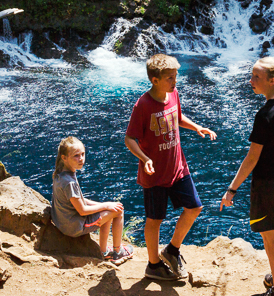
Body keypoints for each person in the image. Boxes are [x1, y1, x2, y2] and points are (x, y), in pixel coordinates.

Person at [125, 54, 217, 281]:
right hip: (155, 174)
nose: (175, 81)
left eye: (175, 76)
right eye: (169, 77)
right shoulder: (143, 105)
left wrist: (196, 127)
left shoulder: (173, 93)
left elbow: (176, 116)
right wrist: (145, 158)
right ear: (155, 80)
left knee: (194, 208)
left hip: (178, 167)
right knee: (155, 220)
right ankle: (153, 265)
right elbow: (130, 139)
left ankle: (172, 250)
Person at [220, 57, 274, 296]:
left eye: (256, 77)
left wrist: (232, 189)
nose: (250, 81)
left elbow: (252, 157)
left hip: (268, 184)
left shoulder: (266, 114)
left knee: (272, 241)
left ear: (272, 81)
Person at [51, 136, 134, 264]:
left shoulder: (60, 173)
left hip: (64, 222)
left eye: (83, 154)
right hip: (74, 226)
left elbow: (80, 200)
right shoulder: (69, 183)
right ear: (64, 157)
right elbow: (83, 210)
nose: (81, 159)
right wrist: (105, 205)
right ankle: (117, 253)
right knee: (118, 211)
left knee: (110, 209)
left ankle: (104, 251)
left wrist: (105, 206)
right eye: (76, 156)